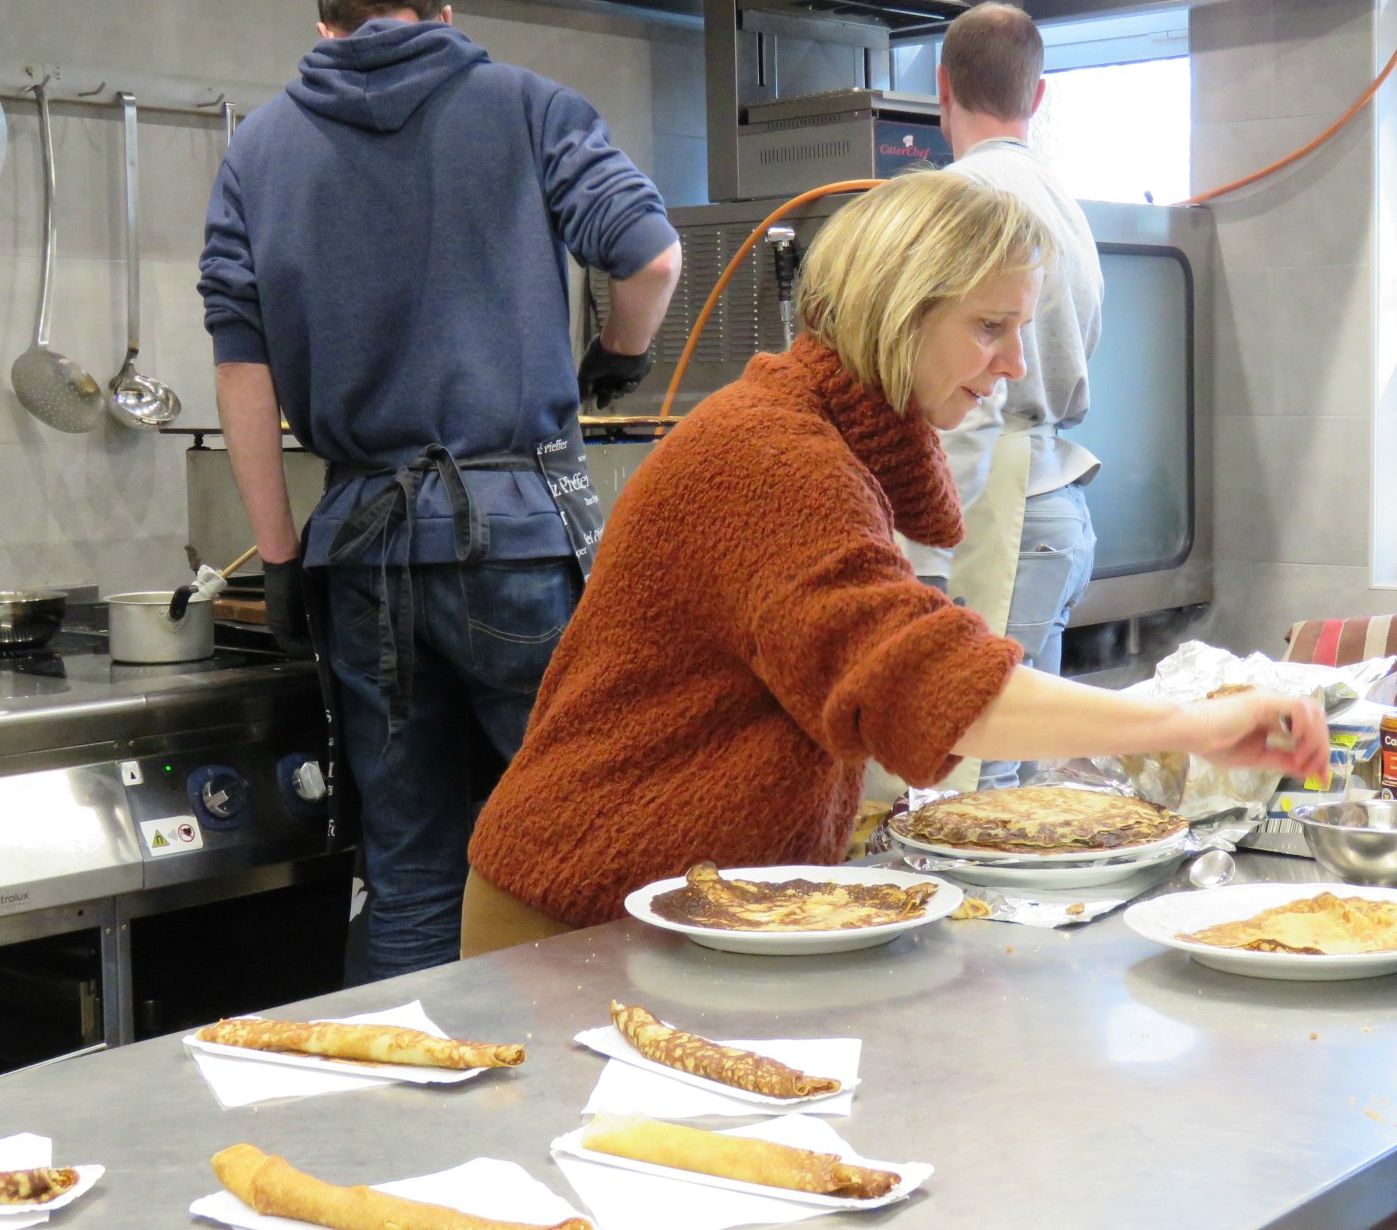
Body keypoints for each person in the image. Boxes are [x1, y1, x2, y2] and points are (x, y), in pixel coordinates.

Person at [461, 170, 1328, 948]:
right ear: (896, 309)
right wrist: (1192, 726)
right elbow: (926, 687)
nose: (1014, 364)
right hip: (572, 916)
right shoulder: (771, 456)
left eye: (1020, 328)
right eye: (990, 326)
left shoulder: (827, 440)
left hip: (680, 910)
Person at [199, 0, 681, 980]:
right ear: (444, 15)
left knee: (409, 868)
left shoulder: (260, 149)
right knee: (585, 844)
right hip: (518, 543)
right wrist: (616, 356)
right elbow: (650, 255)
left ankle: (403, 1115)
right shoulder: (526, 104)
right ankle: (616, 1095)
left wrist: (280, 559)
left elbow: (242, 372)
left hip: (363, 558)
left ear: (325, 31)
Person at [897, 2, 1107, 794]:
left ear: (940, 86)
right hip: (1058, 507)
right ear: (1038, 95)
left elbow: (971, 395)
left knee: (971, 782)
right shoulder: (1063, 202)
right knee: (1016, 791)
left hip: (1000, 508)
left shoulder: (960, 201)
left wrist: (922, 557)